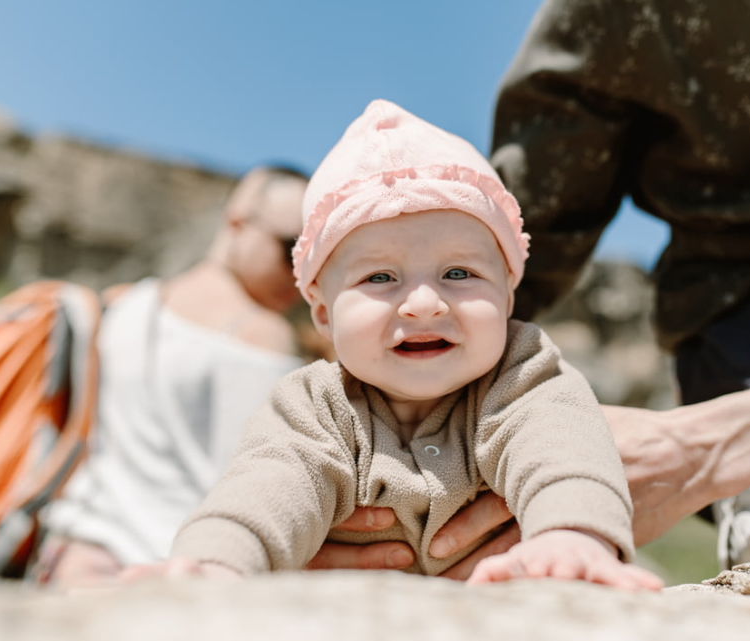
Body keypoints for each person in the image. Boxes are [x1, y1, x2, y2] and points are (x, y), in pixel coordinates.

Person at [305, 0, 750, 575]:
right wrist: (370, 445)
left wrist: (701, 451)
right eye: (381, 278)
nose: (424, 301)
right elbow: (498, 251)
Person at [138, 99, 662, 590]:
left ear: (507, 294)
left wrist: (570, 537)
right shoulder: (316, 405)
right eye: (381, 277)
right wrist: (218, 561)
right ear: (323, 312)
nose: (424, 304)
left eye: (459, 272)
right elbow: (268, 486)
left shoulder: (521, 373)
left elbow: (563, 449)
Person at [32, 164, 310, 586]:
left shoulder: (126, 305)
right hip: (169, 574)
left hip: (71, 558)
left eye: (313, 259)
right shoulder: (264, 336)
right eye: (291, 247)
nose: (300, 274)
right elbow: (261, 489)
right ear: (238, 220)